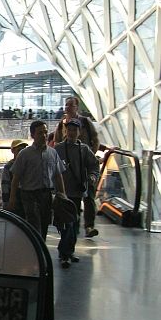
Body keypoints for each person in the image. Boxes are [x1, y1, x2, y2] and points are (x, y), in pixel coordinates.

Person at [9, 120, 67, 241]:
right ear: (33, 135)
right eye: (40, 133)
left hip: (46, 195)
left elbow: (58, 175)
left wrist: (62, 195)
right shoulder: (25, 154)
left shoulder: (52, 153)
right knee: (34, 224)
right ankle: (37, 250)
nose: (44, 135)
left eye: (45, 132)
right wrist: (12, 198)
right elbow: (16, 177)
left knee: (45, 224)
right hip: (29, 195)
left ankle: (40, 249)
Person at [53, 96, 101, 238]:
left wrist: (89, 155)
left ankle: (89, 225)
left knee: (88, 196)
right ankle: (70, 226)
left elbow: (95, 139)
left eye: (70, 105)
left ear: (76, 107)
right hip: (67, 168)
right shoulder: (62, 124)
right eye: (66, 105)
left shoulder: (85, 122)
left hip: (83, 164)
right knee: (68, 198)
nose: (67, 108)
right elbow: (56, 141)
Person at [54, 119, 99, 268]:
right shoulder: (58, 148)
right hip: (63, 192)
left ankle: (68, 251)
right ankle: (65, 253)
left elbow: (93, 165)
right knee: (68, 223)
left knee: (74, 224)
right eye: (70, 130)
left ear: (79, 132)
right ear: (66, 131)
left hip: (77, 192)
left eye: (75, 130)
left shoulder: (84, 149)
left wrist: (92, 176)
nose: (72, 133)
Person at [1, 139, 28, 215]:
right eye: (19, 150)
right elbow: (5, 186)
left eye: (23, 149)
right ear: (12, 151)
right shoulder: (8, 167)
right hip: (14, 200)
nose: (21, 152)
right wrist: (6, 202)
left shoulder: (28, 164)